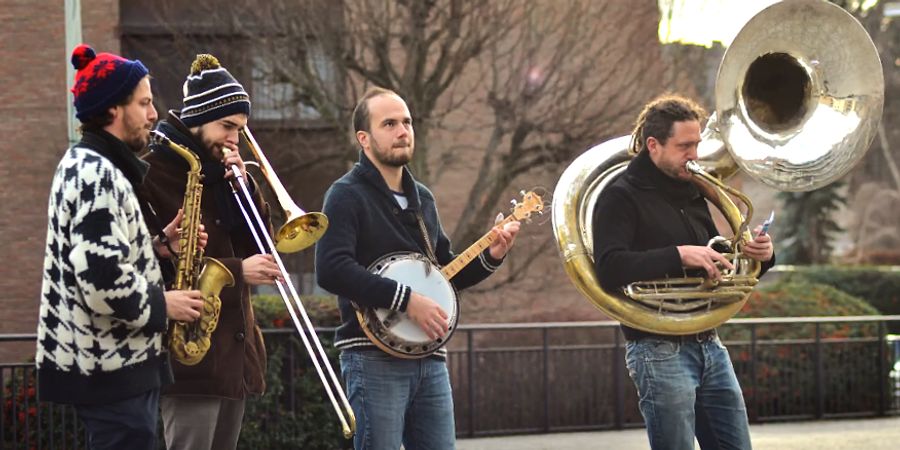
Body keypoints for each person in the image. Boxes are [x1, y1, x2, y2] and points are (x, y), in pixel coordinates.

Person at [315, 87, 520, 450]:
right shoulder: (345, 194)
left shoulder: (422, 197)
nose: (402, 130)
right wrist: (406, 300)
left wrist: (492, 255)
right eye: (389, 123)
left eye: (407, 122)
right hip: (371, 355)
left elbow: (445, 272)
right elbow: (331, 268)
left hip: (430, 357)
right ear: (364, 138)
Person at [36, 44, 205, 450]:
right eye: (144, 103)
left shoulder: (90, 167)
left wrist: (158, 247)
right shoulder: (96, 174)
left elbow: (98, 259)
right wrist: (166, 304)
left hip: (111, 364)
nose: (153, 114)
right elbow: (100, 280)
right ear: (114, 109)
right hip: (110, 367)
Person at [592, 94, 775, 450]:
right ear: (653, 145)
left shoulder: (692, 191)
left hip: (708, 341)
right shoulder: (619, 196)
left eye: (697, 144)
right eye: (684, 145)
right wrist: (677, 255)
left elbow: (718, 265)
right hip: (657, 348)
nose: (694, 154)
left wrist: (760, 257)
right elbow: (609, 268)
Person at [141, 53, 278, 450]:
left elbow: (264, 249)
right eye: (228, 126)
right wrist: (237, 270)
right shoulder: (152, 174)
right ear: (198, 119)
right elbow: (151, 265)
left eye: (241, 128)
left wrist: (245, 189)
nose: (236, 138)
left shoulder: (227, 174)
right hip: (187, 359)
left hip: (234, 354)